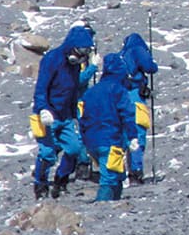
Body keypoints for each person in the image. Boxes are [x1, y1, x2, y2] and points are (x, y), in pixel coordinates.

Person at [32, 23, 96, 199]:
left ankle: (61, 180)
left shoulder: (74, 65)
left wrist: (75, 114)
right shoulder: (52, 59)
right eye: (81, 51)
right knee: (47, 153)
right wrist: (43, 109)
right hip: (48, 114)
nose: (82, 56)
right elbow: (41, 87)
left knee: (74, 149)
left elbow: (74, 89)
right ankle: (40, 184)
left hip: (66, 115)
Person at [79, 53, 134, 202]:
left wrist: (85, 140)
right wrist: (133, 136)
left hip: (91, 141)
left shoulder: (91, 92)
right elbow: (127, 114)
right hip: (110, 139)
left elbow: (83, 118)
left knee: (115, 173)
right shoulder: (118, 90)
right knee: (109, 177)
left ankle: (114, 203)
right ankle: (104, 205)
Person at [115, 33, 158, 185]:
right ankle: (136, 171)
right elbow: (150, 67)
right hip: (135, 96)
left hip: (121, 96)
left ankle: (119, 171)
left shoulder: (121, 56)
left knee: (124, 135)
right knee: (138, 133)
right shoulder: (137, 48)